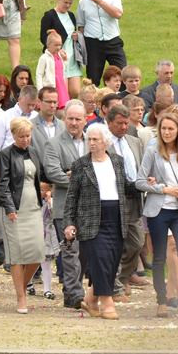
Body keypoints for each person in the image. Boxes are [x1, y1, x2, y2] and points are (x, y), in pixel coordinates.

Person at [137, 112, 178, 318]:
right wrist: (164, 189)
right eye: (163, 128)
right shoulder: (152, 151)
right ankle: (162, 300)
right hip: (158, 210)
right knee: (160, 256)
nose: (166, 132)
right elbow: (139, 181)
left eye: (170, 129)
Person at [63, 123, 129, 320]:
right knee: (100, 260)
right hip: (91, 220)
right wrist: (69, 222)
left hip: (116, 218)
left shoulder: (117, 161)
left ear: (105, 141)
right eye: (89, 139)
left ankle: (91, 299)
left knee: (111, 260)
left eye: (95, 139)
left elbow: (126, 187)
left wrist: (149, 185)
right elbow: (71, 197)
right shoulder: (80, 164)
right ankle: (107, 302)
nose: (91, 143)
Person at [0, 118, 45, 314]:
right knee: (17, 254)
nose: (25, 140)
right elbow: (3, 184)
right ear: (14, 136)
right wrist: (9, 207)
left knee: (37, 252)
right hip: (15, 208)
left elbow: (37, 178)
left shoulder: (33, 152)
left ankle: (23, 286)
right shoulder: (5, 155)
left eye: (28, 136)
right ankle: (20, 296)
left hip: (33, 207)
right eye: (21, 136)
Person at [43, 100, 87, 309]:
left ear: (85, 120)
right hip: (65, 207)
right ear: (64, 119)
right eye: (70, 118)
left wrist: (72, 173)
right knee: (70, 252)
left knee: (86, 253)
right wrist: (83, 178)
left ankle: (76, 291)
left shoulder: (93, 141)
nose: (73, 122)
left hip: (90, 208)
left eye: (78, 119)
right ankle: (74, 294)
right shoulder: (53, 144)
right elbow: (53, 172)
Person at [105, 105, 146, 301]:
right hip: (113, 198)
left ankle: (123, 277)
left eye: (126, 123)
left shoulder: (134, 142)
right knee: (114, 244)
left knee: (137, 242)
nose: (123, 127)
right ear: (109, 122)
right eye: (119, 123)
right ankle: (115, 286)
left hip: (134, 197)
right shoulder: (104, 143)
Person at [76, 0, 126, 86]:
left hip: (112, 40)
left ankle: (121, 100)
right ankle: (94, 102)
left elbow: (118, 14)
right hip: (93, 43)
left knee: (122, 74)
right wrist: (82, 46)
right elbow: (81, 25)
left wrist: (100, 2)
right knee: (93, 79)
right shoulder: (83, 2)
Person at [0, 84, 38, 151]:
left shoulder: (36, 116)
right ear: (19, 99)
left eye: (33, 105)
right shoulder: (5, 117)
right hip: (8, 158)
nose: (31, 108)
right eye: (28, 104)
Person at [36, 30, 70, 108]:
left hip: (61, 86)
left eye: (60, 45)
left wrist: (65, 60)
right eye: (56, 45)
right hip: (51, 86)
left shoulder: (60, 56)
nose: (58, 47)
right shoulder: (44, 58)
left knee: (63, 106)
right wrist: (40, 90)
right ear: (48, 45)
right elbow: (39, 74)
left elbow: (63, 69)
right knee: (52, 104)